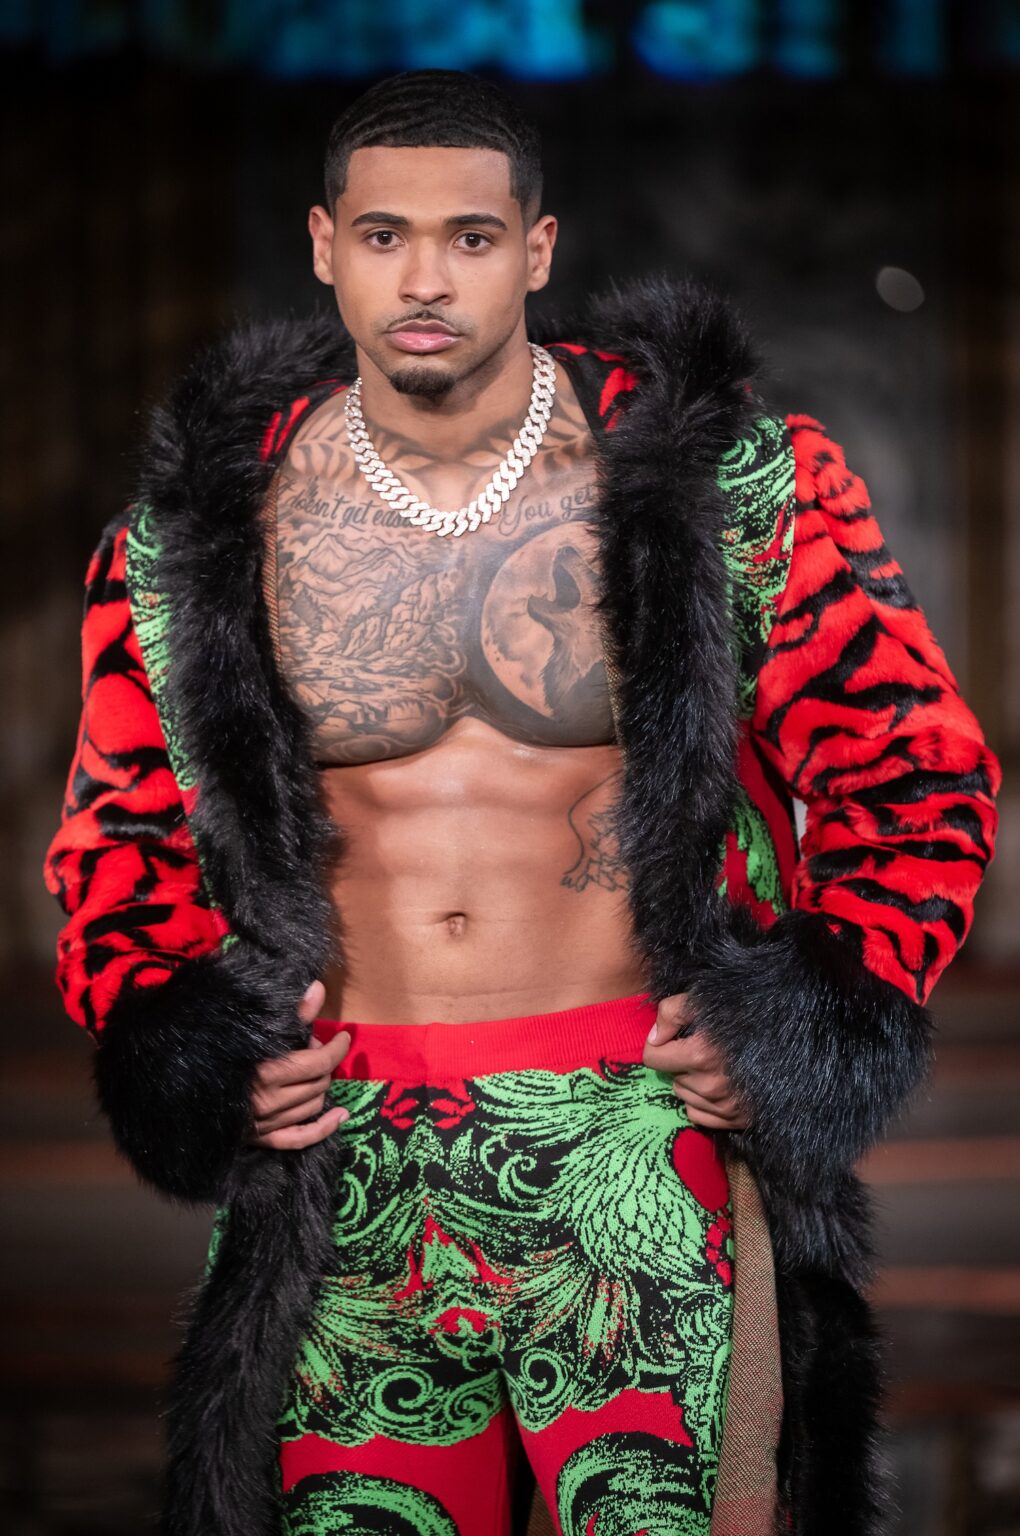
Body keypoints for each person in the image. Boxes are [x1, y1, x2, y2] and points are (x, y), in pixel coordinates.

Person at [43, 68, 999, 1536]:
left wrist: (810, 1010)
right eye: (384, 236)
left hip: (642, 1145)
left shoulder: (728, 491)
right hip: (344, 1168)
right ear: (322, 242)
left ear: (538, 250)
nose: (426, 278)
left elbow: (911, 765)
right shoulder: (196, 541)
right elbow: (117, 843)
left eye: (472, 238)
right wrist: (189, 1042)